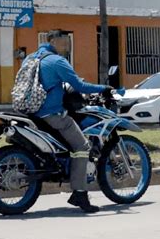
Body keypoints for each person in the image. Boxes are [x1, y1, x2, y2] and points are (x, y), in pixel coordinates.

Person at [21, 29, 113, 212]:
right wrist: (104, 88)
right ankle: (79, 193)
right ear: (53, 41)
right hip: (52, 114)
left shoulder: (30, 59)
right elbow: (79, 85)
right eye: (64, 41)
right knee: (82, 147)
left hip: (31, 113)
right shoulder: (57, 61)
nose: (67, 45)